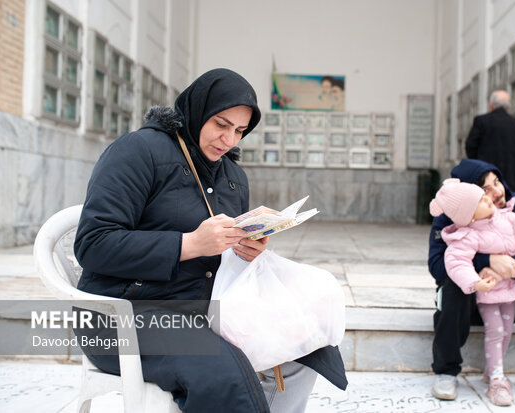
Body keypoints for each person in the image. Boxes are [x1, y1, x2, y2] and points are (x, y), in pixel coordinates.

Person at [73, 68, 347, 413]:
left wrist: (246, 250)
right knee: (222, 372)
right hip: (123, 314)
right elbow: (93, 244)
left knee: (306, 343)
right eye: (221, 124)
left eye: (239, 131)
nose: (229, 140)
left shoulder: (233, 176)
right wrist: (189, 244)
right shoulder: (139, 151)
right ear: (198, 110)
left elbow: (222, 257)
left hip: (204, 311)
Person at [428, 158, 515, 402]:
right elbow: (438, 266)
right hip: (473, 298)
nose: (497, 192)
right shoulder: (452, 214)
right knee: (452, 284)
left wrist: (506, 268)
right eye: (485, 190)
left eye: (497, 182)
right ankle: (446, 370)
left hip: (513, 294)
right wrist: (486, 262)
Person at [465, 90, 515, 194]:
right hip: (513, 182)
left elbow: (470, 146)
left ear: (491, 105)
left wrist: (479, 164)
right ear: (508, 107)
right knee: (511, 209)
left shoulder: (481, 121)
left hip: (487, 178)